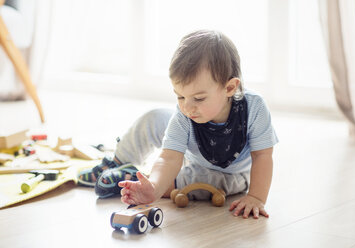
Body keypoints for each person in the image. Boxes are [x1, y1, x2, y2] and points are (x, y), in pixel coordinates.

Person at [78, 30, 278, 219]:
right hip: (192, 150)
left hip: (229, 172)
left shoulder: (254, 108)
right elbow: (169, 158)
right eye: (180, 96)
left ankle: (137, 180)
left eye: (198, 98)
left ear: (229, 88)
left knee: (197, 181)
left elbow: (262, 156)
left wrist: (256, 197)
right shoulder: (185, 113)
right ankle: (120, 162)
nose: (187, 107)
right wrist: (155, 187)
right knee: (153, 118)